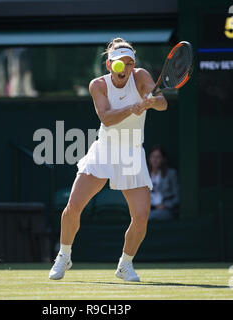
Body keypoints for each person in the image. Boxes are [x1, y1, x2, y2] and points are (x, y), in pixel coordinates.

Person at [49, 38, 167, 282]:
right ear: (108, 65)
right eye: (118, 64)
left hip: (132, 152)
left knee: (141, 216)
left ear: (134, 65)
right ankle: (64, 255)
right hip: (104, 149)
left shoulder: (141, 76)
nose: (124, 68)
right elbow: (106, 118)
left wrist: (153, 101)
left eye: (129, 63)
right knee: (73, 206)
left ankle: (125, 265)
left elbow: (162, 103)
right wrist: (133, 107)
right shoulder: (97, 85)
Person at [148, 145, 179, 221]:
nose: (155, 160)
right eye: (152, 156)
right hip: (148, 209)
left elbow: (177, 197)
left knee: (149, 218)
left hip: (165, 210)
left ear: (163, 159)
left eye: (158, 157)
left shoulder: (171, 174)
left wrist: (165, 206)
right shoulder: (145, 175)